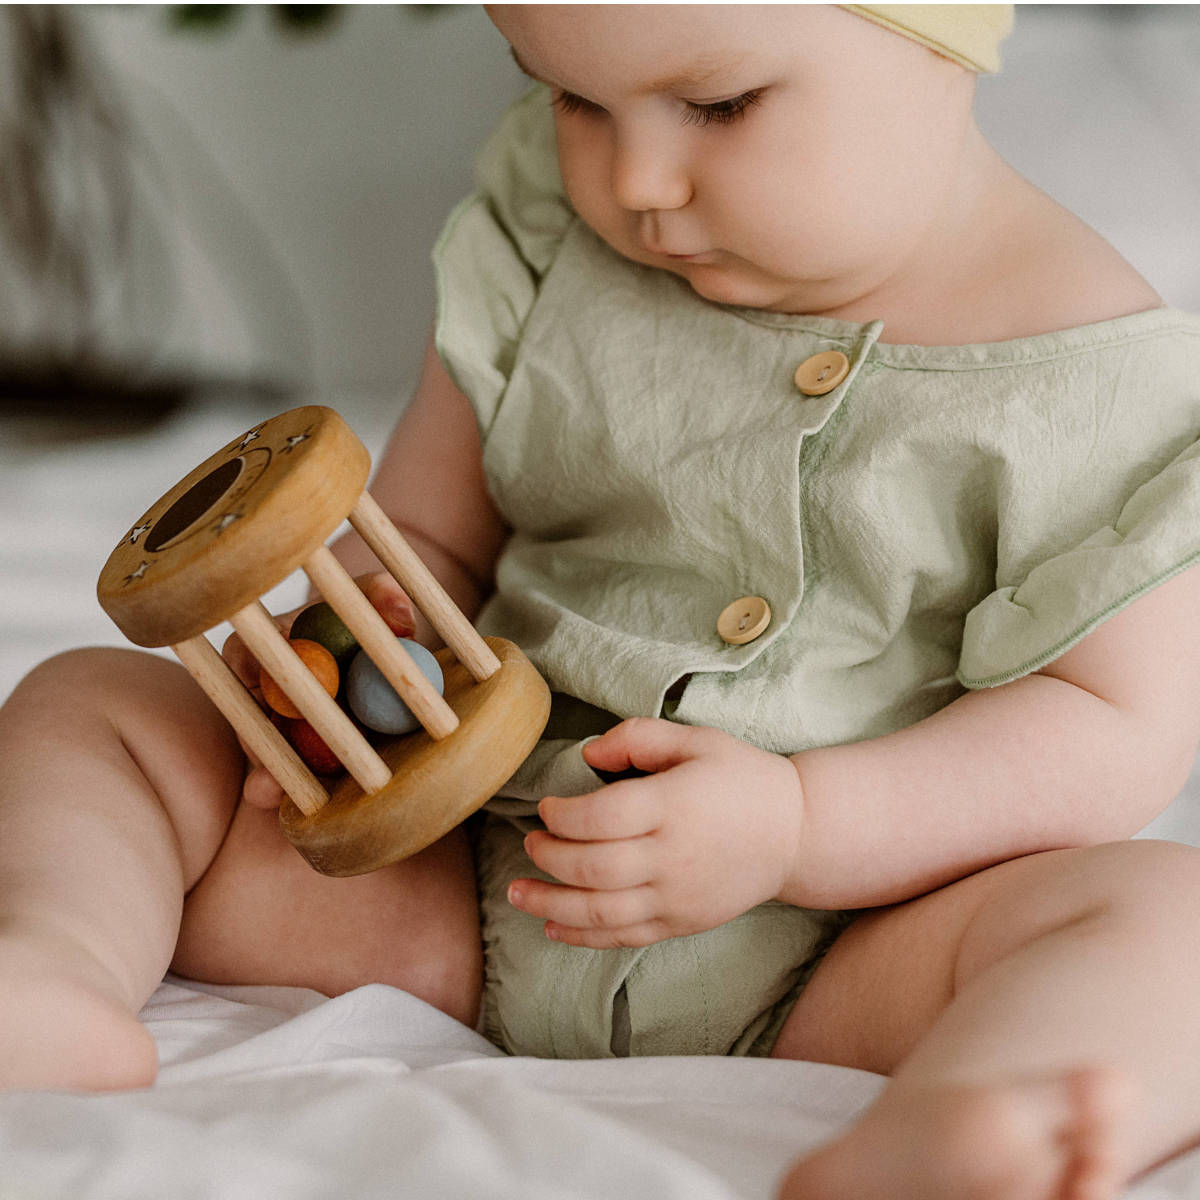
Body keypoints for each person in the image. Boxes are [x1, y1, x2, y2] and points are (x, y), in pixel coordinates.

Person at [2, 5, 1199, 1196]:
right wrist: (355, 654)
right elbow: (426, 537)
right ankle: (49, 970)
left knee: (1169, 920)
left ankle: (972, 1120)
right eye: (572, 98)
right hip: (454, 885)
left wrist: (801, 825)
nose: (635, 181)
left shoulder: (1113, 386)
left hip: (848, 951)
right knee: (96, 704)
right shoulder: (543, 231)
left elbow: (1108, 728)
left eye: (722, 106)